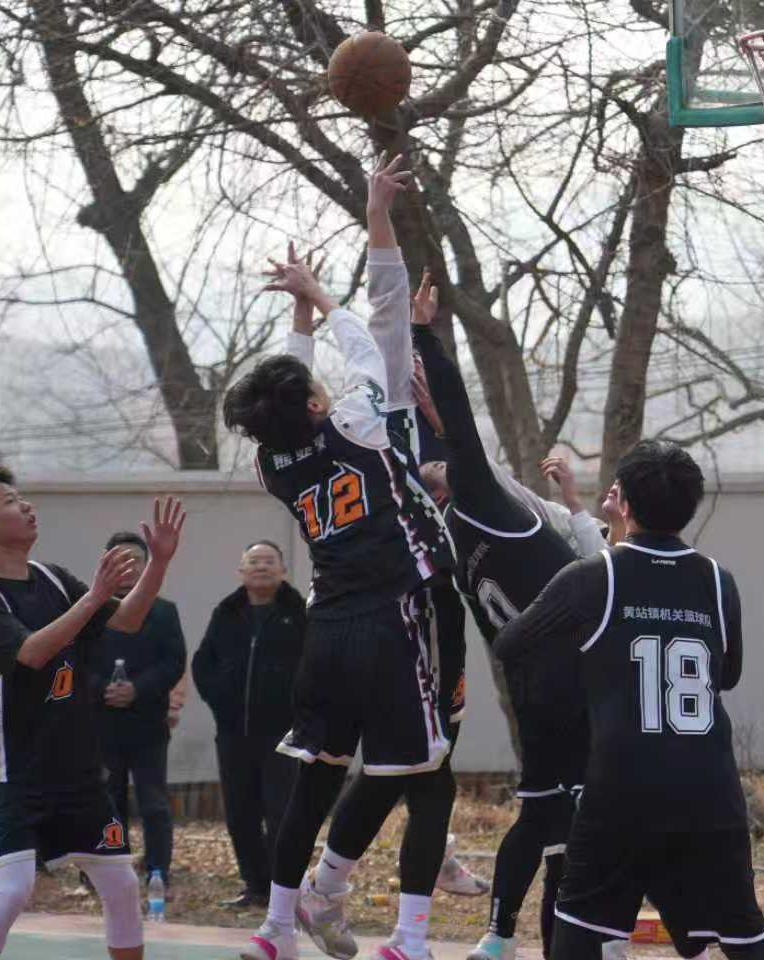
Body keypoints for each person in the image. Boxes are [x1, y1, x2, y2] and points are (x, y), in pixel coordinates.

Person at [312, 270, 608, 960]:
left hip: (530, 683)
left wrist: (571, 500)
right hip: (578, 675)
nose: (439, 462)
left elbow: (467, 454)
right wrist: (424, 336)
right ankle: (571, 937)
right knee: (579, 824)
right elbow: (471, 447)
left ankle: (497, 938)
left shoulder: (444, 541)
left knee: (541, 820)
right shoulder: (484, 507)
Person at [222, 155, 457, 960]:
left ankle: (276, 927)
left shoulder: (272, 463)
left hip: (326, 627)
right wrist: (323, 294)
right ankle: (409, 936)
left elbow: (292, 392)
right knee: (423, 773)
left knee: (316, 778)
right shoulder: (360, 422)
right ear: (319, 403)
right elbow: (372, 336)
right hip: (391, 615)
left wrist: (298, 317)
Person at [494, 439, 764, 960]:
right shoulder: (719, 582)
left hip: (621, 789)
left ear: (623, 503)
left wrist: (587, 663)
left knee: (577, 934)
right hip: (709, 790)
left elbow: (511, 644)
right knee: (745, 936)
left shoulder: (593, 576)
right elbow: (728, 675)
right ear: (690, 505)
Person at [0, 467, 184, 960]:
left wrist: (159, 563)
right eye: (10, 501)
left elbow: (128, 619)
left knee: (121, 886)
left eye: (23, 497)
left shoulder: (54, 578)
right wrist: (94, 596)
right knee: (13, 892)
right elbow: (31, 653)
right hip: (16, 773)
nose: (26, 506)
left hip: (78, 772)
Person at [192, 539, 307, 911]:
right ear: (241, 571)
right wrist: (221, 703)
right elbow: (203, 663)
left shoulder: (300, 613)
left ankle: (283, 890)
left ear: (283, 570)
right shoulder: (227, 612)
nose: (261, 567)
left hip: (283, 735)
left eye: (269, 561)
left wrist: (300, 709)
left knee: (280, 813)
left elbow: (318, 666)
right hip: (233, 734)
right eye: (254, 561)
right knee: (240, 814)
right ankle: (255, 886)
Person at [88, 529, 186, 895]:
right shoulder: (90, 610)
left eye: (136, 561)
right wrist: (102, 688)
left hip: (148, 723)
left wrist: (137, 689)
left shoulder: (163, 611)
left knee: (154, 802)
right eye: (120, 560)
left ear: (148, 566)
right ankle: (110, 870)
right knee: (105, 801)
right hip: (100, 722)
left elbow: (174, 662)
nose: (128, 568)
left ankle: (158, 871)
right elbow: (75, 663)